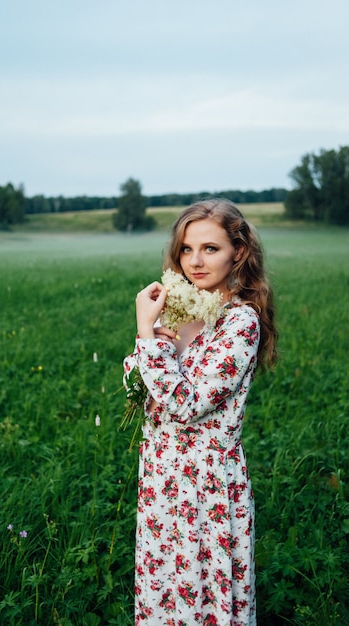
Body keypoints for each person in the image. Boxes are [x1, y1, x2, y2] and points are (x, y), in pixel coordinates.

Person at [123, 199, 278, 625]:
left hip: (205, 483)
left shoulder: (239, 323)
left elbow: (184, 404)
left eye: (210, 248)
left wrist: (146, 338)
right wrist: (150, 340)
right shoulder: (177, 309)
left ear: (238, 252)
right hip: (160, 473)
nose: (195, 261)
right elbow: (138, 389)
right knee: (163, 590)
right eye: (187, 249)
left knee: (205, 592)